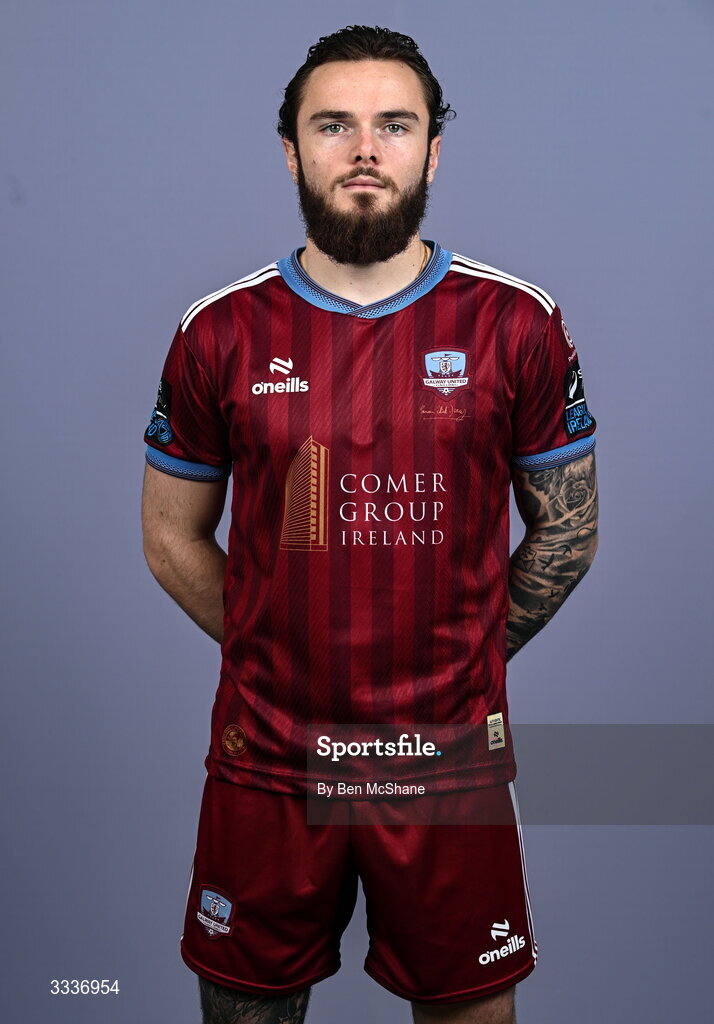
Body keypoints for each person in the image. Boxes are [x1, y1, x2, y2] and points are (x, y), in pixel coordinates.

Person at [141, 24, 598, 1024]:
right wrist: (279, 652)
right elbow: (173, 539)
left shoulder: (514, 323)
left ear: (432, 149)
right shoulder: (219, 330)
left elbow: (568, 536)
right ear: (292, 148)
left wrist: (462, 663)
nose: (363, 148)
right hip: (269, 759)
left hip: (444, 765)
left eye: (394, 124)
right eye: (333, 124)